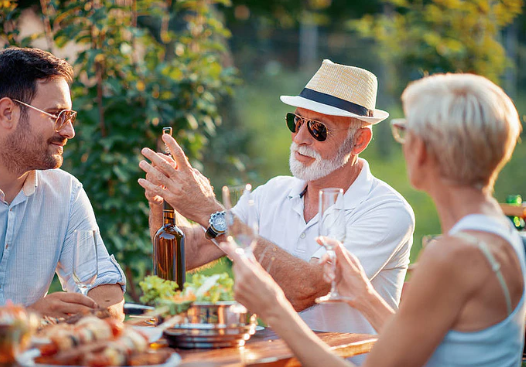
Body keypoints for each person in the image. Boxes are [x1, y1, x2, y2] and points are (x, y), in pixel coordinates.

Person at [221, 72, 525, 367]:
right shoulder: (502, 235)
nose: (403, 144)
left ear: (424, 149)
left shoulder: (452, 256)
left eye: (405, 131)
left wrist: (273, 309)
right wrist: (365, 296)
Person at [139, 60, 415, 335]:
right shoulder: (274, 192)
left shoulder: (386, 210)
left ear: (360, 141)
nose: (300, 138)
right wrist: (163, 199)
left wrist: (210, 211)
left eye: (318, 128)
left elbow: (305, 291)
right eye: (296, 122)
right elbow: (185, 255)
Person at [0, 48, 126, 319]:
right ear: (7, 112)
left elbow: (102, 284)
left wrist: (100, 313)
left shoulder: (65, 193)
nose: (69, 131)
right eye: (57, 115)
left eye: (69, 117)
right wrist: (28, 318)